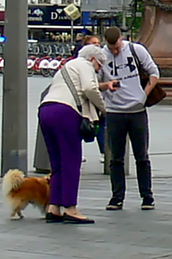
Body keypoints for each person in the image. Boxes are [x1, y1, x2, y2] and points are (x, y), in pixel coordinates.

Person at [39, 44, 114, 223]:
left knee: (57, 163)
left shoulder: (67, 66)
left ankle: (54, 207)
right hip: (65, 113)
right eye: (99, 65)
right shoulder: (85, 64)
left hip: (46, 110)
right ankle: (70, 208)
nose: (98, 70)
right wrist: (104, 109)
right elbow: (89, 88)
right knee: (71, 161)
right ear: (92, 59)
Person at [101, 26, 159, 211]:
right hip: (114, 111)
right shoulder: (102, 55)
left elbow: (154, 73)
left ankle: (147, 196)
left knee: (142, 156)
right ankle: (117, 197)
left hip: (137, 111)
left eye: (117, 47)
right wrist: (107, 86)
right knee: (115, 158)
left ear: (122, 39)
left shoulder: (136, 50)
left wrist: (144, 95)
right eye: (111, 48)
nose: (115, 51)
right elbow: (95, 82)